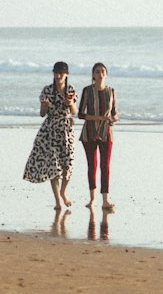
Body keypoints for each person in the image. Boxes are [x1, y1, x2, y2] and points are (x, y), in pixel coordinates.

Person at [23, 61, 76, 210]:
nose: (58, 75)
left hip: (66, 130)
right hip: (50, 130)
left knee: (68, 164)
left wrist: (70, 102)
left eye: (61, 73)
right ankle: (58, 201)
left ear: (66, 75)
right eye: (56, 73)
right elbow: (42, 114)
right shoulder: (47, 90)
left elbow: (74, 111)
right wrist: (45, 106)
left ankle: (63, 192)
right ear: (53, 73)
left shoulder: (70, 89)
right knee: (53, 166)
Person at [77, 62, 118, 213]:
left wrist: (113, 119)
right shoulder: (87, 91)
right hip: (89, 133)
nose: (100, 74)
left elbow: (115, 113)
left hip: (106, 133)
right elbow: (81, 114)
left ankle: (105, 200)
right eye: (97, 72)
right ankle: (92, 199)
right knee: (92, 165)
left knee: (105, 166)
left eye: (103, 71)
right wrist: (97, 118)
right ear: (93, 75)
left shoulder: (111, 91)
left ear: (106, 74)